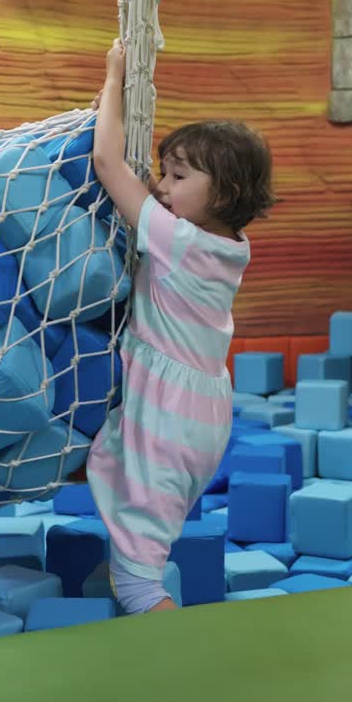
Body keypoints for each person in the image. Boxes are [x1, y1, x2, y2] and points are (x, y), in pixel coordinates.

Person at [87, 38, 276, 614]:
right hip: (204, 410)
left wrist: (115, 79)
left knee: (139, 574)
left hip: (166, 412)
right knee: (137, 519)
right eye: (162, 173)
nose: (160, 187)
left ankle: (176, 658)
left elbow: (106, 163)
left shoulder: (179, 240)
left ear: (226, 193)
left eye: (177, 177)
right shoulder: (229, 245)